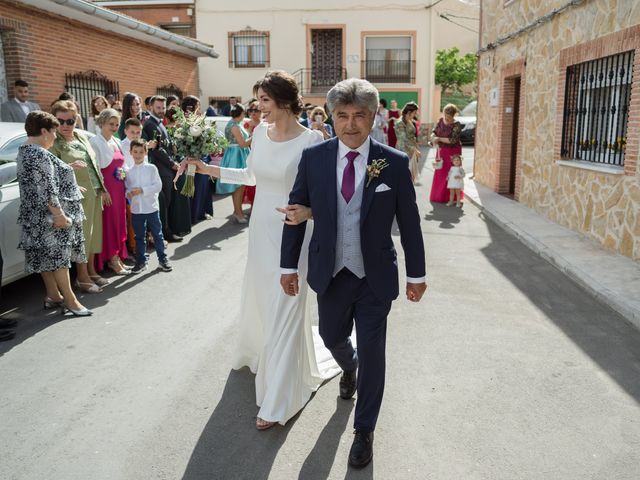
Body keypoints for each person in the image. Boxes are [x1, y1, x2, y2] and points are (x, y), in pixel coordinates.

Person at [280, 78, 427, 468]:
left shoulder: (393, 163)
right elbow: (295, 213)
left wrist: (417, 275)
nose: (350, 124)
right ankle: (348, 365)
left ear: (373, 116)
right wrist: (287, 265)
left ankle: (364, 431)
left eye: (359, 115)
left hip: (375, 276)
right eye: (342, 115)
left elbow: (409, 224)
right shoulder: (314, 159)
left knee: (375, 354)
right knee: (331, 336)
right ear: (332, 117)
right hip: (331, 271)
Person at [186, 70, 340, 430]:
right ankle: (263, 354)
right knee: (262, 296)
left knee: (287, 303)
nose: (259, 109)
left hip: (295, 232)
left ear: (285, 101)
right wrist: (206, 168)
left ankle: (279, 398)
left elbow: (328, 195)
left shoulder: (313, 140)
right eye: (257, 102)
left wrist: (310, 212)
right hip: (260, 232)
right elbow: (251, 177)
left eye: (265, 102)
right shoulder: (258, 133)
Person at [16, 111, 92, 316]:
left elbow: (41, 178)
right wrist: (59, 215)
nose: (56, 136)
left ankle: (53, 295)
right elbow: (47, 187)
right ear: (43, 131)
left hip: (35, 216)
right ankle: (71, 301)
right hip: (49, 218)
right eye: (53, 132)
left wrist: (67, 174)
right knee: (59, 260)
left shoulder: (24, 150)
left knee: (45, 258)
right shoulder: (40, 153)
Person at [49, 100, 109, 293]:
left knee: (92, 235)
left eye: (71, 120)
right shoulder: (54, 143)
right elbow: (51, 174)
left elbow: (93, 164)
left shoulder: (81, 137)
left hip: (93, 193)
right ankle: (81, 277)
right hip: (74, 197)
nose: (66, 125)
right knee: (81, 237)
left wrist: (102, 187)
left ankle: (91, 271)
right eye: (61, 121)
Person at [89, 108, 130, 275]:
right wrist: (103, 190)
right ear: (102, 123)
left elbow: (124, 164)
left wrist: (124, 173)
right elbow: (95, 168)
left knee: (120, 221)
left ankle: (118, 256)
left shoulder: (116, 140)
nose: (114, 127)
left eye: (116, 124)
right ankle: (111, 259)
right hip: (107, 189)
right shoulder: (95, 141)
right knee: (110, 223)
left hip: (119, 187)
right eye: (110, 124)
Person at [125, 139, 172, 274]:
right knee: (139, 237)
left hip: (151, 208)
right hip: (136, 210)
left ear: (146, 152)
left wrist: (142, 190)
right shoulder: (129, 172)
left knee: (157, 235)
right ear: (131, 152)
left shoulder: (151, 168)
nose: (138, 154)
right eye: (135, 152)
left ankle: (162, 259)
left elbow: (158, 186)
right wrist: (128, 193)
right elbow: (127, 189)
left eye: (141, 152)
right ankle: (141, 261)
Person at [142, 95, 183, 242]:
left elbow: (165, 144)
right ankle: (164, 233)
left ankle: (166, 232)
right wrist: (172, 163)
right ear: (150, 107)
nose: (161, 110)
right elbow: (157, 149)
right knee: (164, 204)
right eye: (158, 107)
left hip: (166, 169)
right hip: (161, 169)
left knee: (167, 203)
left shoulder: (159, 122)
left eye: (163, 107)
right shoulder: (150, 124)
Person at [216, 103, 251, 223]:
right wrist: (254, 136)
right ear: (241, 113)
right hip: (236, 155)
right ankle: (238, 213)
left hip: (237, 154)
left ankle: (238, 211)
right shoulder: (234, 125)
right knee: (239, 186)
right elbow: (242, 144)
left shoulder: (235, 124)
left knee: (239, 186)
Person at [430, 103, 462, 203]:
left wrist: (439, 138)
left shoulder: (457, 125)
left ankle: (451, 198)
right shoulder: (440, 121)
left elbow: (453, 140)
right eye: (446, 116)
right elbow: (434, 132)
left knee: (452, 174)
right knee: (440, 173)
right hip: (441, 151)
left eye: (449, 117)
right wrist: (432, 138)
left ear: (453, 115)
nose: (447, 119)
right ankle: (439, 196)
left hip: (453, 152)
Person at [241, 100, 262, 208]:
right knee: (252, 182)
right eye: (251, 110)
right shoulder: (246, 124)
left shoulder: (265, 123)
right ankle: (253, 206)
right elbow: (245, 141)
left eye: (256, 110)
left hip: (264, 154)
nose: (253, 112)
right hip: (252, 154)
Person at [394, 102, 421, 183]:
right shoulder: (399, 123)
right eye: (415, 112)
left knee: (411, 177)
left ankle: (409, 194)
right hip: (403, 151)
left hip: (412, 151)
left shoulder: (410, 121)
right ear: (409, 112)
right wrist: (415, 150)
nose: (416, 114)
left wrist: (416, 147)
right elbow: (403, 139)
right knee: (404, 177)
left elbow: (413, 136)